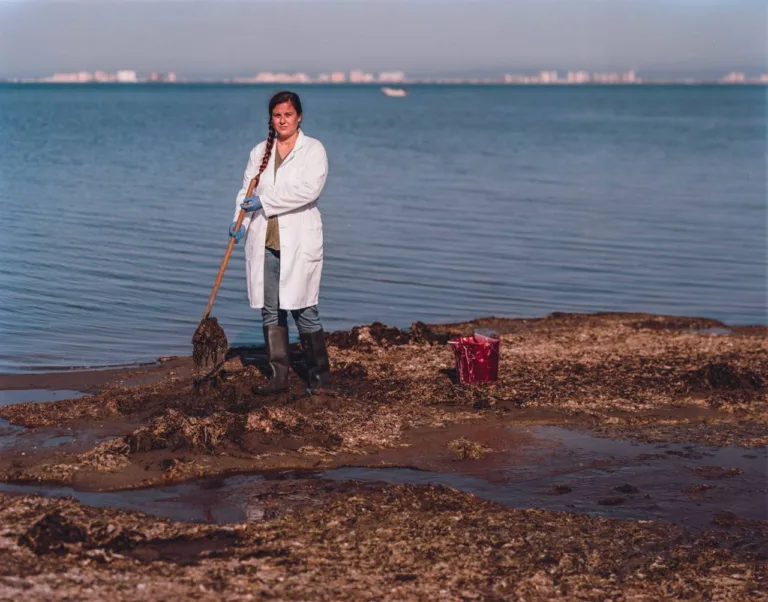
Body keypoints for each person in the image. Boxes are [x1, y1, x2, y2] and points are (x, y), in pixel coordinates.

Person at [229, 90, 330, 396]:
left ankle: (319, 380)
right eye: (277, 115)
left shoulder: (313, 150)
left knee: (304, 308)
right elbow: (247, 191)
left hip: (299, 240)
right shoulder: (260, 151)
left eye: (288, 114)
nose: (282, 120)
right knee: (271, 310)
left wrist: (265, 200)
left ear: (299, 116)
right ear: (270, 119)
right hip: (266, 241)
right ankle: (278, 377)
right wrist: (240, 222)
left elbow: (309, 191)